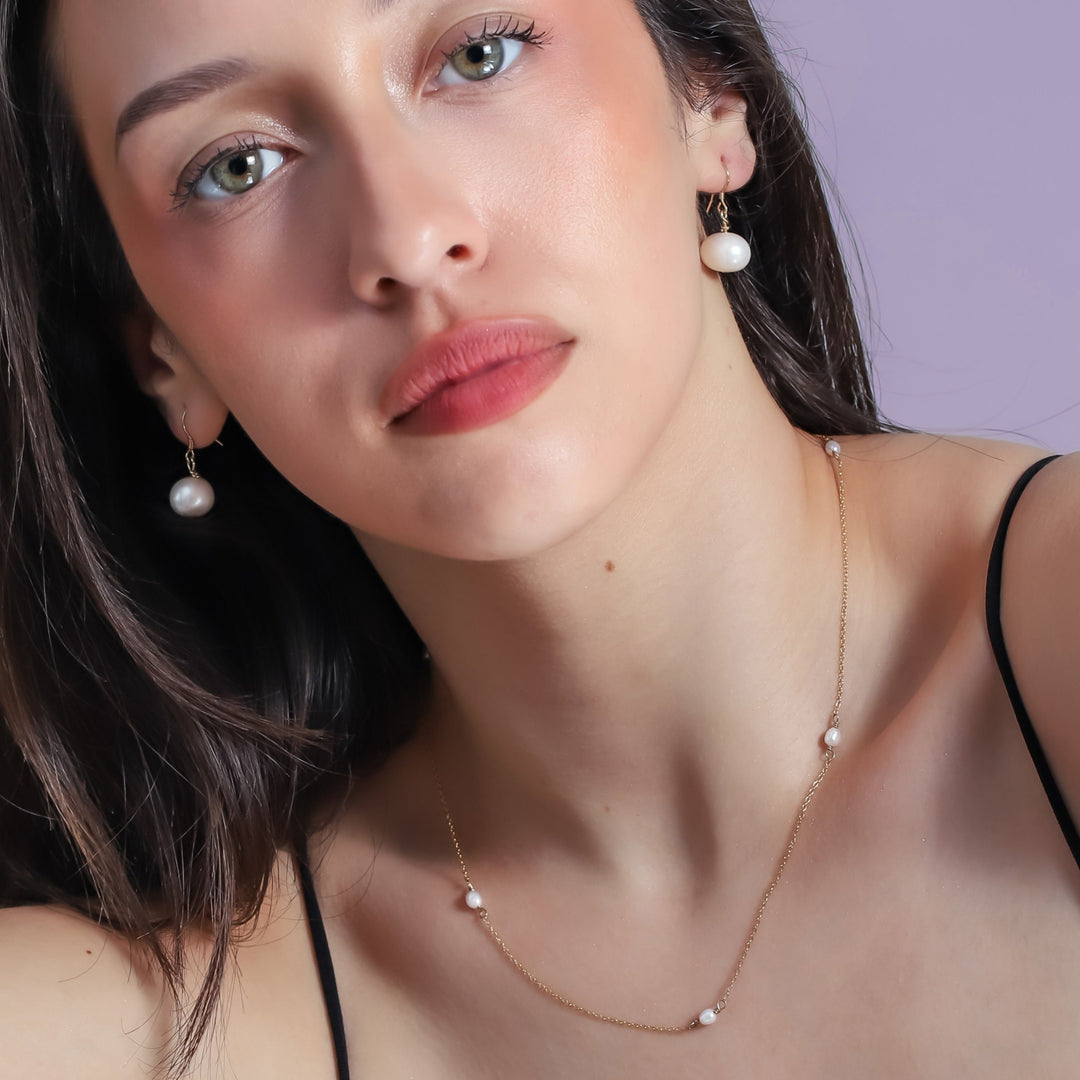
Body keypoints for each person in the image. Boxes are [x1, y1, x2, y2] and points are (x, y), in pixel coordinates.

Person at [1, 0, 1077, 1076]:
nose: (408, 242)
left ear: (706, 95)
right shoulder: (170, 1019)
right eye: (236, 166)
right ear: (161, 357)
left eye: (478, 56)